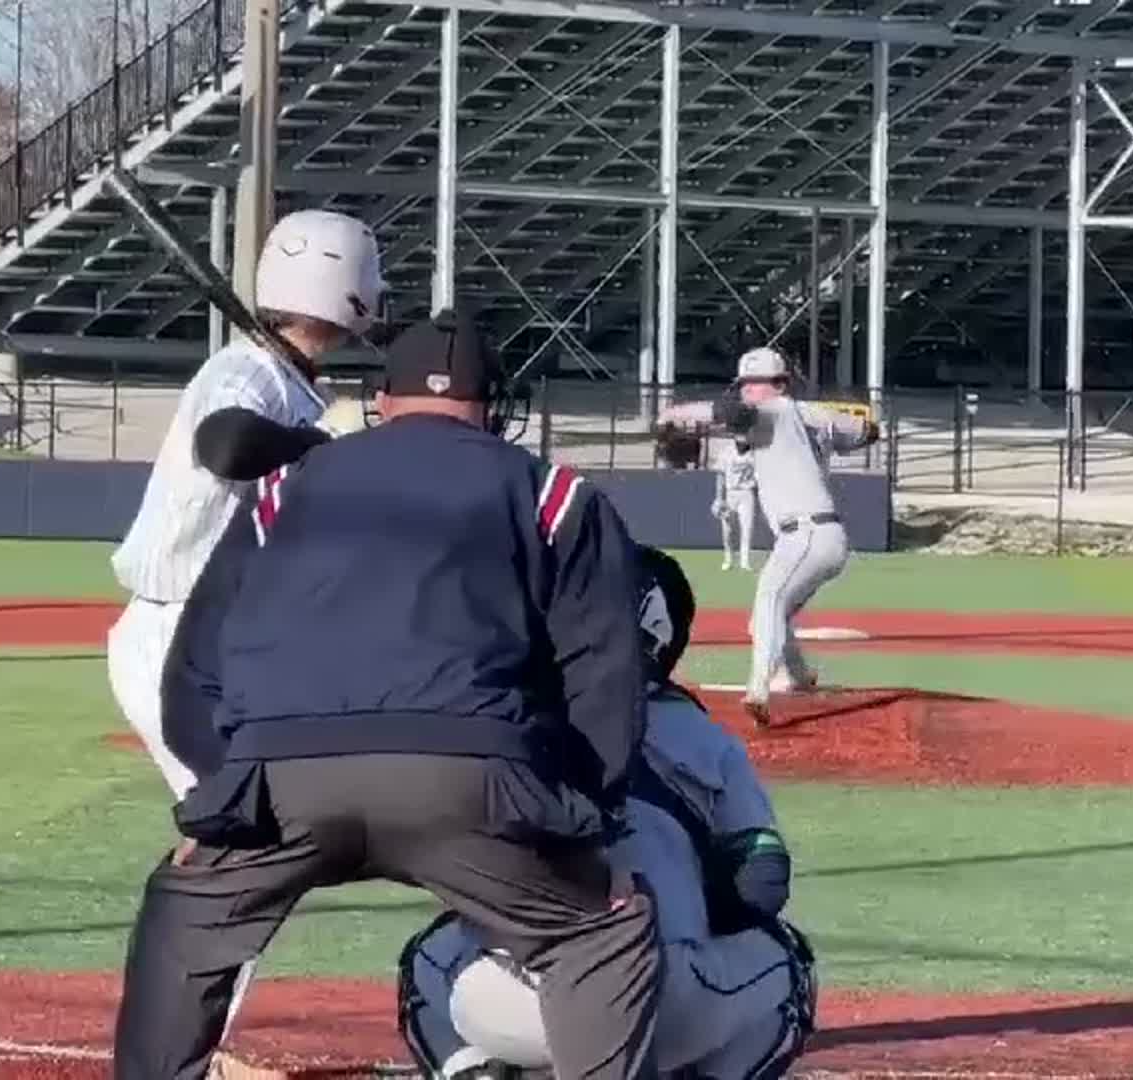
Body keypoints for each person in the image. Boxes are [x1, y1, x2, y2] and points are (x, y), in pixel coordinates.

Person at [111, 312, 663, 1080]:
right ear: (494, 406)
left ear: (380, 400)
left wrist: (221, 800)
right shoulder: (554, 492)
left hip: (284, 778)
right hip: (470, 779)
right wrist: (578, 821)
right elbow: (604, 675)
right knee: (601, 932)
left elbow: (193, 671)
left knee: (187, 910)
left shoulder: (286, 487)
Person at [397, 545, 818, 1080]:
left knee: (426, 956)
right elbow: (762, 884)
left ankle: (470, 1068)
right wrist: (692, 907)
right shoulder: (704, 738)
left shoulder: (502, 723)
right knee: (789, 962)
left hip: (515, 1001)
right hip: (666, 1002)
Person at [108, 208, 381, 799]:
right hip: (174, 631)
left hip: (230, 629)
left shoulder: (297, 384)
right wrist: (316, 447)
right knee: (237, 821)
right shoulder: (244, 369)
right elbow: (226, 445)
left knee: (269, 815)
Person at [653, 347, 879, 728]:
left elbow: (728, 414)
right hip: (821, 536)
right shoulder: (812, 414)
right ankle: (799, 675)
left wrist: (673, 415)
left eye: (755, 385)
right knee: (768, 618)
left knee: (770, 597)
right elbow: (868, 432)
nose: (747, 391)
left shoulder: (775, 409)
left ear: (779, 385)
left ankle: (758, 689)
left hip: (805, 532)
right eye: (745, 385)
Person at [711, 437, 758, 572]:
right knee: (728, 530)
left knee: (747, 528)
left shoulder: (754, 454)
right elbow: (720, 476)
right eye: (739, 442)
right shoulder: (726, 452)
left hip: (747, 492)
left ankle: (745, 561)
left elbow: (760, 476)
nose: (741, 444)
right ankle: (728, 558)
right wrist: (719, 498)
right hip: (730, 493)